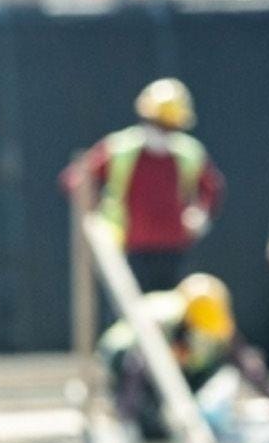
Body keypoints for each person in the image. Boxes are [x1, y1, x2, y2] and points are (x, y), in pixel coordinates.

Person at [62, 78, 226, 291]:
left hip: (174, 248)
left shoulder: (189, 152)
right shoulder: (120, 148)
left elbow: (212, 187)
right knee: (129, 303)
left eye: (169, 127)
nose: (162, 132)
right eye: (157, 124)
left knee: (169, 304)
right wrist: (94, 209)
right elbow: (75, 179)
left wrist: (200, 214)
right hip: (128, 246)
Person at [99, 274, 269, 442]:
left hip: (163, 367)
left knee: (213, 370)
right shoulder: (165, 317)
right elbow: (135, 365)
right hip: (122, 363)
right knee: (145, 407)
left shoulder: (215, 322)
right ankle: (140, 423)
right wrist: (126, 417)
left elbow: (244, 362)